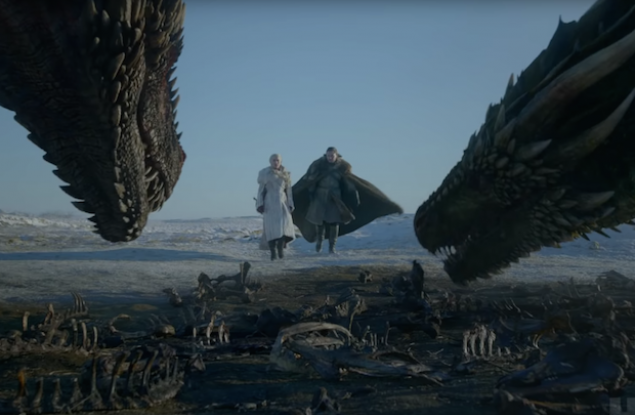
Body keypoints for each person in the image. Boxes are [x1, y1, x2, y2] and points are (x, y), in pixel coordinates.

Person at [292, 146, 403, 253]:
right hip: (320, 197)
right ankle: (319, 243)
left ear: (336, 156)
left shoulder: (342, 169)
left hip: (335, 199)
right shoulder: (318, 167)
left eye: (332, 156)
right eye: (328, 155)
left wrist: (353, 198)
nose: (330, 158)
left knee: (334, 223)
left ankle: (332, 247)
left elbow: (350, 184)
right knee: (319, 222)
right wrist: (310, 193)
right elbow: (309, 181)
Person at [255, 153, 296, 260]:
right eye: (273, 160)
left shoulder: (285, 174)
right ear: (270, 161)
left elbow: (289, 191)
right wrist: (259, 204)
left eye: (277, 160)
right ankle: (273, 252)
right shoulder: (265, 174)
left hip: (283, 203)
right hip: (270, 203)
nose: (275, 162)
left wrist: (290, 204)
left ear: (280, 161)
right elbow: (261, 190)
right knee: (271, 229)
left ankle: (280, 250)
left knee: (283, 228)